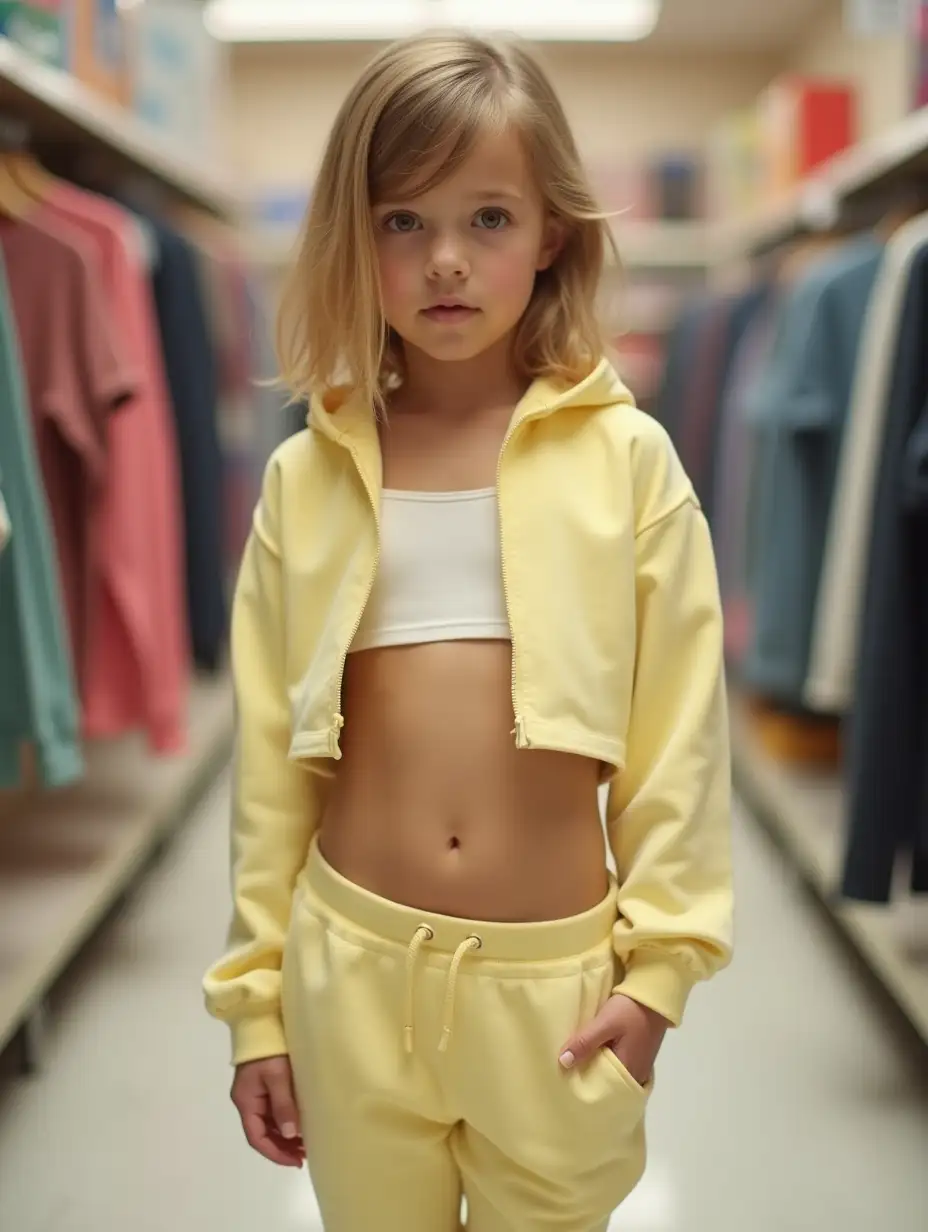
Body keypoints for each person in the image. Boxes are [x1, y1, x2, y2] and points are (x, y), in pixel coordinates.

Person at [203, 30, 733, 1232]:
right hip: (348, 973)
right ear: (356, 236)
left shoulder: (628, 464)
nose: (445, 259)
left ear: (551, 232)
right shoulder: (307, 479)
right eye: (402, 221)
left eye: (487, 218)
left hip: (554, 995)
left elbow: (678, 750)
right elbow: (270, 776)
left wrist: (658, 978)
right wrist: (257, 1005)